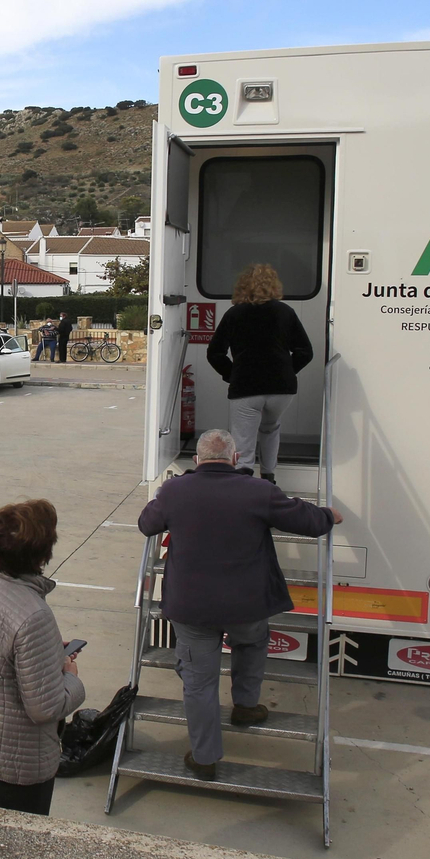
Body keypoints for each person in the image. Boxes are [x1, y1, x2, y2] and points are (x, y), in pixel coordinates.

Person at [136, 429, 339, 780]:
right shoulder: (259, 491)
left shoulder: (174, 491)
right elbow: (307, 521)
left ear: (197, 460)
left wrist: (164, 495)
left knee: (199, 683)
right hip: (247, 604)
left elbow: (146, 524)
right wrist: (329, 516)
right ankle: (245, 705)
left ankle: (205, 758)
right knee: (252, 642)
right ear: (235, 458)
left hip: (192, 608)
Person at [0, 499, 85, 816]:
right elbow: (45, 707)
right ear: (42, 555)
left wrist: (46, 651)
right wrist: (71, 676)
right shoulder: (32, 615)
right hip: (17, 756)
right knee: (19, 830)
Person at [206, 263, 314, 482]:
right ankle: (268, 478)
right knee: (270, 429)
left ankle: (243, 482)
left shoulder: (234, 314)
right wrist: (286, 371)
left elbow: (215, 353)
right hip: (281, 389)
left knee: (243, 440)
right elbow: (305, 352)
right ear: (274, 285)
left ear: (242, 285)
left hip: (246, 386)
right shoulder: (285, 312)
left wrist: (232, 374)